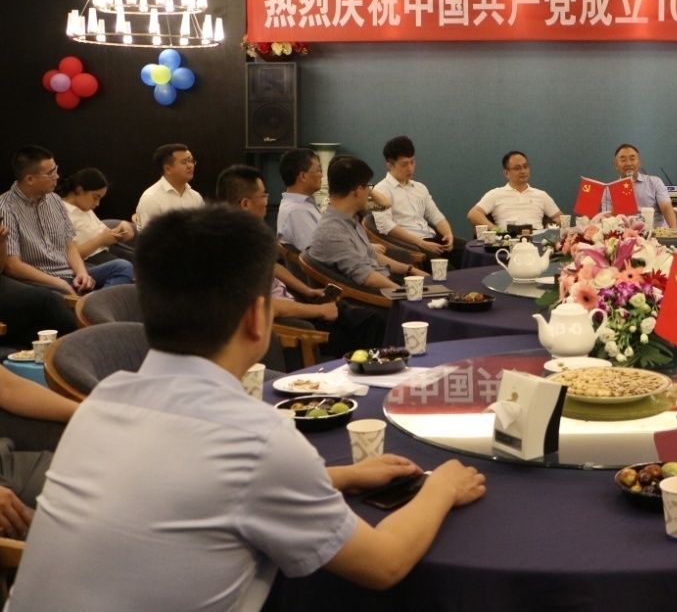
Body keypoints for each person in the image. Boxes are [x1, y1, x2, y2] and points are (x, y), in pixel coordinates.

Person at [7, 206, 486, 610]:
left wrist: (341, 476)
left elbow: (196, 484)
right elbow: (383, 564)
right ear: (259, 318)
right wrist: (441, 488)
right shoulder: (257, 439)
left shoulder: (102, 404)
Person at [217, 165, 385, 355]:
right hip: (287, 323)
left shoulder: (249, 235)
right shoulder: (231, 250)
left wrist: (307, 291)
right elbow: (266, 307)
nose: (266, 201)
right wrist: (319, 311)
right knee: (364, 330)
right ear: (245, 203)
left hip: (293, 303)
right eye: (263, 196)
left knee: (368, 319)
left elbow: (271, 267)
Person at [0, 146, 133, 295]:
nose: (57, 176)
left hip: (69, 274)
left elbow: (70, 247)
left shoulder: (55, 200)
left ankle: (93, 302)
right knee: (56, 296)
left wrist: (82, 273)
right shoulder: (5, 208)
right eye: (50, 173)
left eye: (55, 169)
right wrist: (60, 283)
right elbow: (12, 266)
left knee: (122, 266)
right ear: (30, 179)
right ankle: (93, 303)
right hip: (42, 281)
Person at [310, 156, 428, 289]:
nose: (369, 192)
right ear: (359, 191)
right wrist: (405, 293)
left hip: (386, 282)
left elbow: (372, 255)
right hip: (376, 294)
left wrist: (411, 270)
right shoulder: (332, 232)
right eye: (368, 187)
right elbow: (367, 277)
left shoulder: (350, 220)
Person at [0, 366, 79, 541]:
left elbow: (8, 388)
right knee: (65, 537)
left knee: (102, 491)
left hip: (8, 462)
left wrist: (90, 414)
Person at [373, 136, 464, 266]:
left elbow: (435, 215)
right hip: (410, 245)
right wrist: (422, 244)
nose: (410, 168)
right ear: (390, 165)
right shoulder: (378, 191)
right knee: (446, 269)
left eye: (412, 162)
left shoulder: (420, 187)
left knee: (469, 252)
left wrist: (448, 234)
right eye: (404, 164)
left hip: (430, 237)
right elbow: (384, 226)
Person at [467, 151, 562, 231]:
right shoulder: (495, 194)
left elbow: (561, 217)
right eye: (517, 168)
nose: (523, 171)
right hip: (507, 240)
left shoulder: (541, 195)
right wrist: (495, 230)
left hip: (536, 240)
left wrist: (551, 225)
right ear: (506, 173)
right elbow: (473, 214)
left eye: (525, 166)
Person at [57, 167, 135, 264]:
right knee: (125, 266)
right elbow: (67, 255)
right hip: (89, 259)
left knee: (145, 260)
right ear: (79, 190)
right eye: (95, 198)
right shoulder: (61, 213)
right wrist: (100, 240)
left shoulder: (86, 209)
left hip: (107, 250)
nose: (97, 204)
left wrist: (122, 227)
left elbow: (104, 232)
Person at [600, 144, 677, 228]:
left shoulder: (655, 182)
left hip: (655, 232)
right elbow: (607, 221)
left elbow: (666, 208)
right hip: (625, 234)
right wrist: (622, 197)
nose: (628, 163)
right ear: (616, 164)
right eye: (623, 160)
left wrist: (674, 232)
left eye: (632, 159)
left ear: (639, 162)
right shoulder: (608, 190)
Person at [135, 143, 203, 228]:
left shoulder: (196, 197)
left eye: (191, 161)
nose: (190, 166)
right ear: (168, 169)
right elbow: (152, 235)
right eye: (184, 162)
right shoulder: (151, 198)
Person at [277, 147, 323, 251]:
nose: (321, 175)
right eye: (318, 170)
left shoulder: (304, 204)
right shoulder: (296, 211)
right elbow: (317, 254)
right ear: (303, 176)